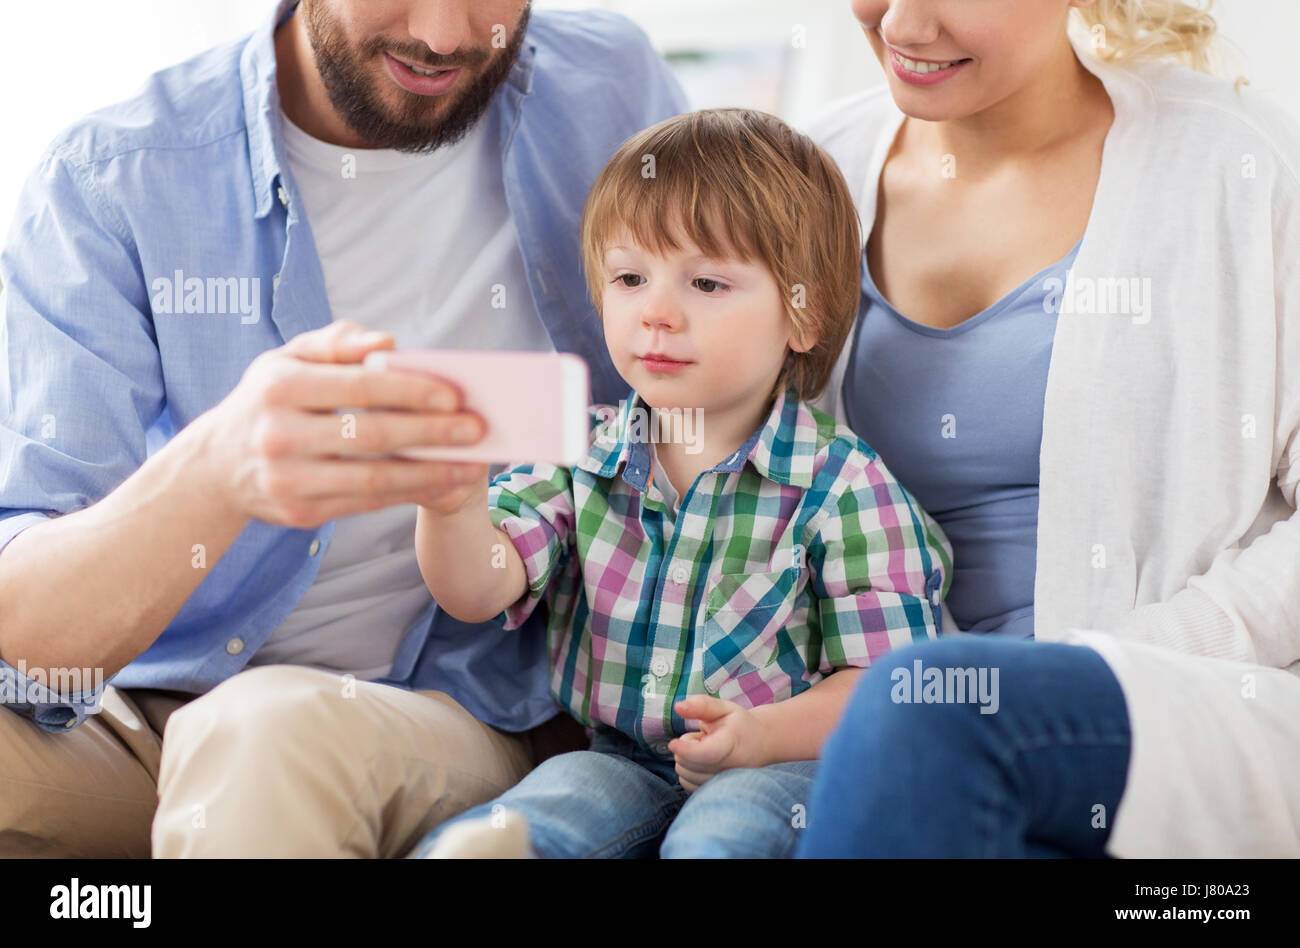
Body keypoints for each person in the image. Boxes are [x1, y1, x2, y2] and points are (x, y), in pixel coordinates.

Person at [0, 0, 687, 857]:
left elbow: (754, 356)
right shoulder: (111, 179)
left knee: (263, 735)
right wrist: (214, 473)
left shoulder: (607, 88)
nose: (442, 37)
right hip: (148, 708)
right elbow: (24, 632)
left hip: (460, 712)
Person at [795, 0, 1300, 857]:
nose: (904, 26)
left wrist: (1111, 660)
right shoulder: (805, 176)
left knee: (930, 703)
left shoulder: (1242, 165)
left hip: (1172, 708)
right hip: (878, 743)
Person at [404, 109, 952, 858]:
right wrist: (452, 508)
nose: (656, 313)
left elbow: (886, 687)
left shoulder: (843, 483)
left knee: (722, 839)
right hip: (617, 756)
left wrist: (758, 736)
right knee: (542, 814)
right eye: (630, 277)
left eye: (706, 282)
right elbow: (478, 588)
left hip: (786, 764)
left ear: (804, 316)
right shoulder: (579, 453)